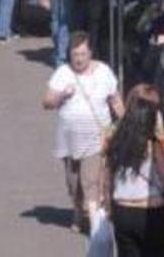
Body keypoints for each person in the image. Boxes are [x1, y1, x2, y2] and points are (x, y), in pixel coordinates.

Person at [42, 31, 124, 233]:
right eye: (75, 54)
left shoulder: (104, 71)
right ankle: (78, 212)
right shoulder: (63, 73)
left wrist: (126, 123)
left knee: (91, 183)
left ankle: (97, 227)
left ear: (90, 53)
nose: (78, 59)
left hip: (96, 140)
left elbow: (115, 100)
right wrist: (62, 95)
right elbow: (47, 102)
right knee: (73, 184)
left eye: (82, 54)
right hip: (69, 140)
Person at [104, 88, 164, 257]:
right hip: (152, 213)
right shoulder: (152, 145)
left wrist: (108, 208)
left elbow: (107, 179)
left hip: (123, 211)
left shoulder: (115, 142)